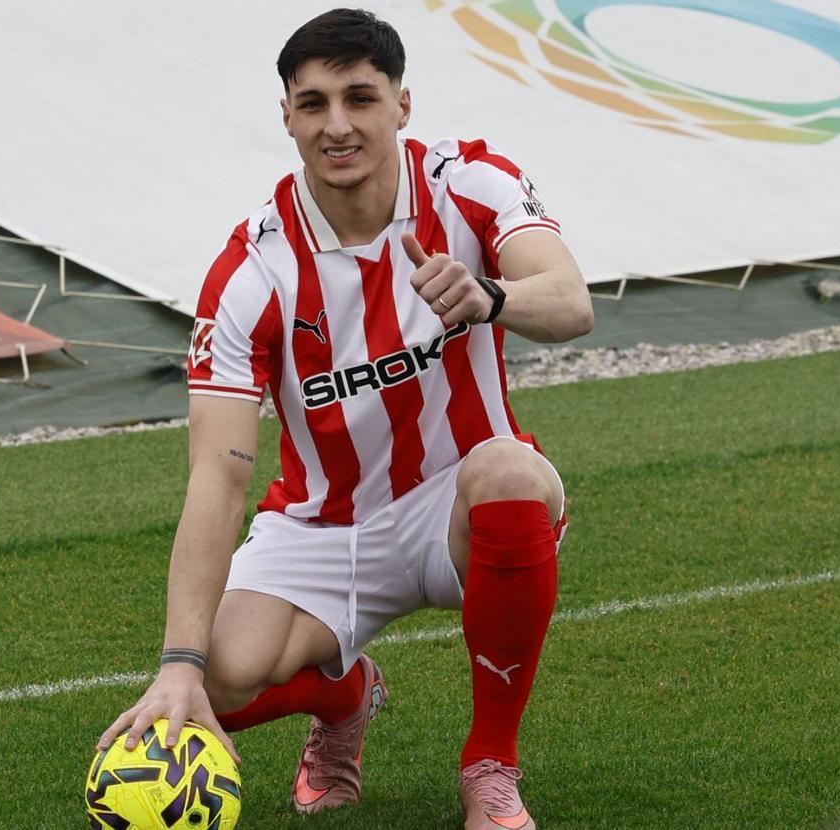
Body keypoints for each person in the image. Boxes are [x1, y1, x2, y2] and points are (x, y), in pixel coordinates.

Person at [98, 8, 593, 829]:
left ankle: (490, 767)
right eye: (314, 103)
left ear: (401, 104)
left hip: (457, 502)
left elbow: (571, 301)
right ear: (287, 118)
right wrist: (178, 661)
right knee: (214, 678)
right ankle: (346, 694)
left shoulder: (470, 185)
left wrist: (491, 297)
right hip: (322, 526)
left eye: (360, 97)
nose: (338, 125)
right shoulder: (251, 272)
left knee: (509, 473)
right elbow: (217, 479)